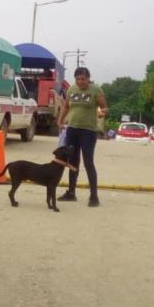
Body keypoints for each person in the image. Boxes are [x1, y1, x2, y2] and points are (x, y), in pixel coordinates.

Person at [57, 67, 108, 207]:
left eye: (83, 79)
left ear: (88, 78)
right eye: (78, 79)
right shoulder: (72, 89)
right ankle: (71, 193)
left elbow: (104, 107)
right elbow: (66, 106)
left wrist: (103, 112)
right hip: (72, 129)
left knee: (88, 163)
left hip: (88, 132)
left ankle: (94, 196)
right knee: (72, 163)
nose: (80, 82)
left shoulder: (96, 90)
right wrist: (60, 120)